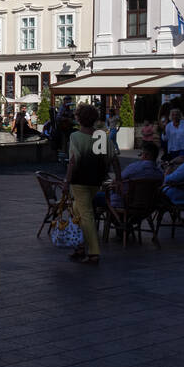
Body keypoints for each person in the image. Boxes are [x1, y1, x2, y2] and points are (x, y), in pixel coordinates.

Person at [62, 103, 107, 264]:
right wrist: (120, 178)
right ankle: (80, 245)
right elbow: (108, 158)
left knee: (86, 213)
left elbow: (73, 162)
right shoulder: (100, 135)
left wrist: (66, 181)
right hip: (96, 180)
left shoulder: (75, 136)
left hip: (80, 179)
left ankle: (93, 252)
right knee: (76, 209)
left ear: (79, 119)